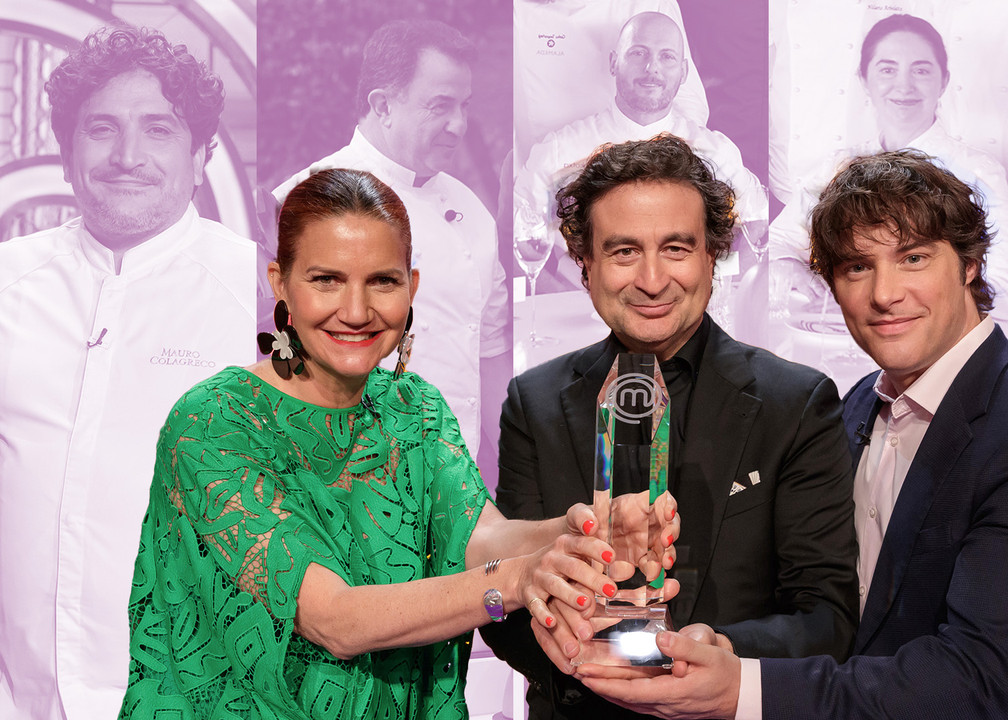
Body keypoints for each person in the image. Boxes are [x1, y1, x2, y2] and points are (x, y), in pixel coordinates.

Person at [579, 150, 1008, 719]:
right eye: (857, 267)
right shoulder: (859, 403)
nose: (884, 293)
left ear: (969, 264)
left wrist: (744, 690)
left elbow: (974, 681)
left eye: (913, 258)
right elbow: (843, 619)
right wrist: (721, 648)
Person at [116, 168, 679, 719]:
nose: (355, 311)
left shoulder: (416, 408)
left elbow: (479, 538)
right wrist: (513, 582)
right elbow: (335, 620)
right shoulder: (213, 423)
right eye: (326, 280)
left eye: (382, 282)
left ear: (412, 287)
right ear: (279, 283)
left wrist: (584, 533)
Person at [481, 134, 857, 719]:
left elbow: (827, 617)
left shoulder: (796, 403)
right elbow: (502, 597)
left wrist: (720, 652)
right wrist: (564, 643)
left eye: (676, 248)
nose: (653, 280)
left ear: (713, 256)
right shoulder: (535, 402)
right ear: (585, 265)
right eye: (624, 251)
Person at [0, 26, 256, 720]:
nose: (127, 156)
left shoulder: (266, 298)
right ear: (66, 154)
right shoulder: (9, 284)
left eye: (158, 129)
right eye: (101, 129)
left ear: (202, 156)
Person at [272, 19, 508, 469]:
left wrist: (515, 467)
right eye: (440, 106)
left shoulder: (472, 210)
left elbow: (489, 346)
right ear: (382, 106)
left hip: (459, 475)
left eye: (464, 106)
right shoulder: (307, 198)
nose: (458, 125)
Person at [772, 12, 1008, 323]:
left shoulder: (978, 173)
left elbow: (1007, 294)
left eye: (921, 70)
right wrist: (791, 268)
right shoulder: (837, 167)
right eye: (887, 69)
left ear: (944, 82)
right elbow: (776, 243)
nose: (903, 86)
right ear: (864, 80)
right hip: (839, 336)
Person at [514, 11, 767, 292]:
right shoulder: (557, 152)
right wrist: (571, 301)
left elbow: (757, 230)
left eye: (667, 57)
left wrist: (715, 284)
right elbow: (519, 249)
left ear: (683, 72)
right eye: (638, 53)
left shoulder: (716, 153)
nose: (652, 68)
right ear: (614, 62)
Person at [514, 0, 708, 162]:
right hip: (544, 164)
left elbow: (687, 104)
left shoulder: (649, 3)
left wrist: (667, 169)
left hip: (627, 164)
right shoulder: (519, 10)